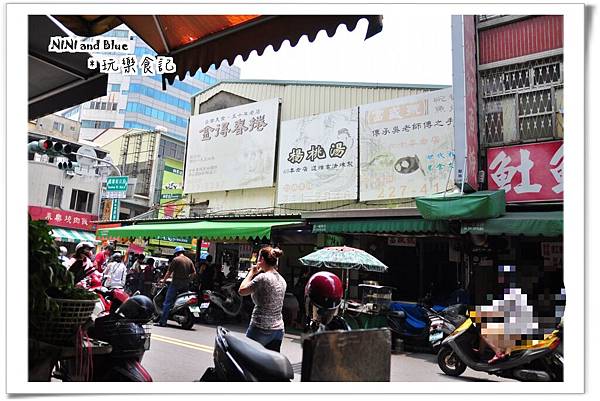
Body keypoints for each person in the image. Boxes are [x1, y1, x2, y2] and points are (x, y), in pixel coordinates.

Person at [238, 246, 286, 352]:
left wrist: (251, 273)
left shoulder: (263, 278)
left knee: (246, 357)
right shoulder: (282, 280)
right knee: (268, 363)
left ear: (262, 260)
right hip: (278, 329)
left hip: (261, 328)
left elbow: (241, 291)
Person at [156, 246, 196, 327]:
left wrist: (163, 282)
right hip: (185, 285)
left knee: (167, 302)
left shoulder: (176, 260)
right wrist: (188, 280)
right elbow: (194, 273)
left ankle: (162, 322)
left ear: (176, 253)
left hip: (175, 284)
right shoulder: (189, 261)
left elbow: (169, 272)